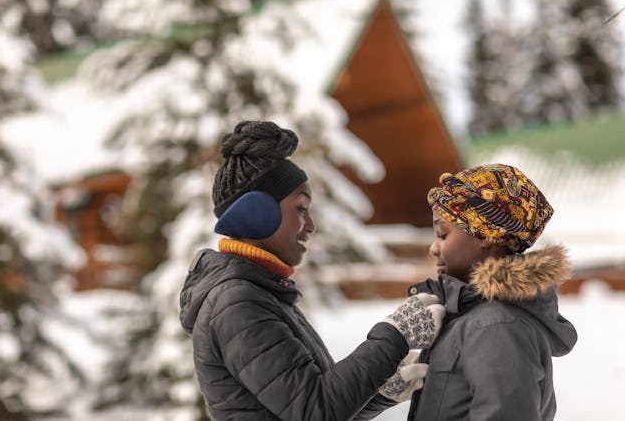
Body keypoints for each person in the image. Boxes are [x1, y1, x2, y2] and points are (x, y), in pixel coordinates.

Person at [179, 120, 446, 420]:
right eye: (301, 209)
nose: (310, 226)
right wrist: (395, 334)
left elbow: (312, 400)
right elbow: (315, 412)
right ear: (257, 213)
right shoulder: (237, 304)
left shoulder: (260, 293)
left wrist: (381, 393)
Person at [406, 163, 578, 421]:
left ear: (485, 236)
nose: (433, 248)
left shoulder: (495, 326)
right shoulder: (472, 317)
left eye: (443, 234)